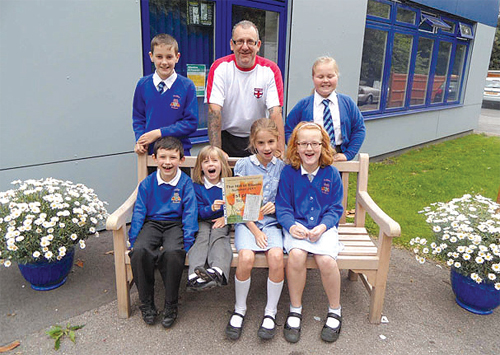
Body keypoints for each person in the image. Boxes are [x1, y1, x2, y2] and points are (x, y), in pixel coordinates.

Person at [276, 122, 344, 343]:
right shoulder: (289, 173)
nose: (309, 149)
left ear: (323, 146)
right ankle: (295, 309)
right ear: (295, 147)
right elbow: (283, 207)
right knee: (296, 256)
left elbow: (335, 208)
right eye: (303, 143)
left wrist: (323, 227)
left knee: (326, 261)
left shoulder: (331, 173)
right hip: (297, 226)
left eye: (315, 143)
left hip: (324, 227)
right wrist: (291, 226)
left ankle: (335, 310)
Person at [128, 137, 198, 328]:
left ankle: (170, 304)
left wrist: (188, 239)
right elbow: (140, 212)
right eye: (163, 157)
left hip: (175, 224)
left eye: (173, 157)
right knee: (140, 250)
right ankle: (147, 303)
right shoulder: (147, 184)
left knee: (173, 252)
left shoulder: (185, 183)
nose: (167, 162)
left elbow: (190, 213)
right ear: (154, 158)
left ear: (181, 160)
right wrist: (134, 238)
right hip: (152, 223)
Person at [225, 118, 285, 341]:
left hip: (271, 223)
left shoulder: (283, 167)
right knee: (246, 257)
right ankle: (239, 308)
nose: (267, 147)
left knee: (277, 256)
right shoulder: (244, 165)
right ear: (253, 143)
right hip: (247, 223)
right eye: (261, 143)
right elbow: (237, 204)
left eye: (271, 141)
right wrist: (255, 230)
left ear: (278, 140)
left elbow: (287, 201)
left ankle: (270, 312)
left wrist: (276, 206)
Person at [205, 20, 285, 157]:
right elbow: (214, 111)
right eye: (240, 41)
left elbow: (275, 113)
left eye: (250, 42)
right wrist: (216, 151)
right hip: (227, 138)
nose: (245, 47)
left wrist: (279, 151)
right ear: (232, 44)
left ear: (258, 45)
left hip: (259, 139)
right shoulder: (219, 68)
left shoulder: (270, 70)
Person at [285, 56, 366, 161]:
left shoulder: (347, 103)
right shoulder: (303, 105)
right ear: (313, 78)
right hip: (309, 158)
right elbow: (288, 130)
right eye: (320, 77)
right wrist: (299, 150)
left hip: (338, 157)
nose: (325, 80)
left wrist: (349, 154)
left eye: (330, 76)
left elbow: (359, 128)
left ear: (337, 77)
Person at [132, 34, 198, 156]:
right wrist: (140, 140)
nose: (164, 62)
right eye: (159, 57)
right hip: (151, 154)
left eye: (169, 57)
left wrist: (159, 133)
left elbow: (191, 123)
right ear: (151, 57)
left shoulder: (187, 86)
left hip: (179, 155)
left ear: (177, 57)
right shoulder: (143, 85)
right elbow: (139, 119)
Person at [187, 145, 233, 291]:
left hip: (222, 220)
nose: (211, 164)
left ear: (222, 165)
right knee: (201, 238)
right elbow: (197, 212)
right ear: (200, 167)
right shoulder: (197, 187)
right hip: (202, 220)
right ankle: (195, 275)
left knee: (219, 237)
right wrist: (211, 208)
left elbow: (237, 208)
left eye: (215, 160)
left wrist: (225, 218)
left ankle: (217, 271)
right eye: (206, 162)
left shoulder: (228, 185)